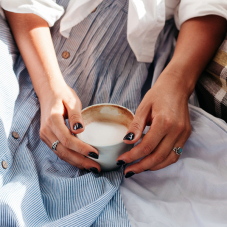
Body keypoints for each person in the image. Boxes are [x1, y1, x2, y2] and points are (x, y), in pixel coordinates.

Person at [0, 0, 227, 226]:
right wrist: (48, 85)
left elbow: (208, 6)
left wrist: (177, 84)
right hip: (27, 37)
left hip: (134, 71)